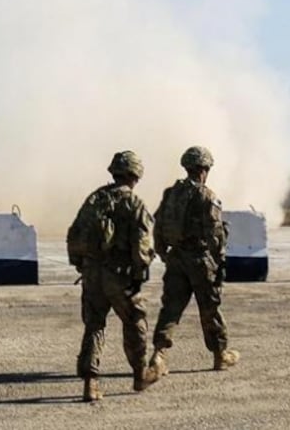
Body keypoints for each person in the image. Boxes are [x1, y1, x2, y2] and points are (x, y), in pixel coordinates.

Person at [65, 150, 160, 402]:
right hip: (119, 275)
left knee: (94, 325)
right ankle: (140, 374)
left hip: (93, 273)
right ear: (134, 175)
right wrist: (140, 272)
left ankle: (90, 383)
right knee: (135, 320)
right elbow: (142, 247)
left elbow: (74, 235)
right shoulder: (134, 203)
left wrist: (82, 265)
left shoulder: (95, 199)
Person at [149, 146, 239, 374]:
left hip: (176, 258)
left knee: (170, 309)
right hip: (199, 259)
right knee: (210, 308)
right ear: (203, 169)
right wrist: (219, 261)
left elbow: (158, 225)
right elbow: (215, 233)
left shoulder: (171, 194)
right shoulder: (206, 196)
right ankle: (220, 355)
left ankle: (159, 355)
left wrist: (163, 253)